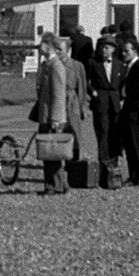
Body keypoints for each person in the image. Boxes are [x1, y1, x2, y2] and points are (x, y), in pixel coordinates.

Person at [114, 39, 139, 185]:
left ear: (135, 51)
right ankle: (134, 174)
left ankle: (137, 175)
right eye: (123, 51)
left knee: (134, 143)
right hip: (129, 107)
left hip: (134, 110)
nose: (124, 53)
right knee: (129, 143)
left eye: (127, 51)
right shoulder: (131, 66)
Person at [85, 38, 124, 184]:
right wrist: (92, 92)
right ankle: (103, 166)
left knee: (115, 133)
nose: (104, 50)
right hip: (100, 101)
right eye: (102, 48)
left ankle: (114, 165)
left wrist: (121, 96)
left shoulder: (119, 65)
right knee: (103, 132)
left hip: (114, 102)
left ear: (113, 49)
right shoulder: (93, 63)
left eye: (107, 48)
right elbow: (84, 80)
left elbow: (122, 83)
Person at [34, 32, 69, 195]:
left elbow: (59, 94)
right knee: (49, 151)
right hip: (45, 115)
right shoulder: (46, 64)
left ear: (48, 46)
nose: (39, 47)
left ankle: (53, 185)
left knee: (52, 151)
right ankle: (58, 184)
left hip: (52, 117)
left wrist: (56, 118)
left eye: (42, 44)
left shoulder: (56, 66)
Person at [58, 36, 92, 182]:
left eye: (61, 49)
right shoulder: (52, 64)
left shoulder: (77, 66)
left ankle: (74, 161)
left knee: (74, 130)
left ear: (68, 50)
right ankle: (59, 161)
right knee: (59, 131)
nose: (58, 52)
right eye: (57, 49)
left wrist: (83, 106)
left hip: (72, 100)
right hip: (57, 101)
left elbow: (82, 88)